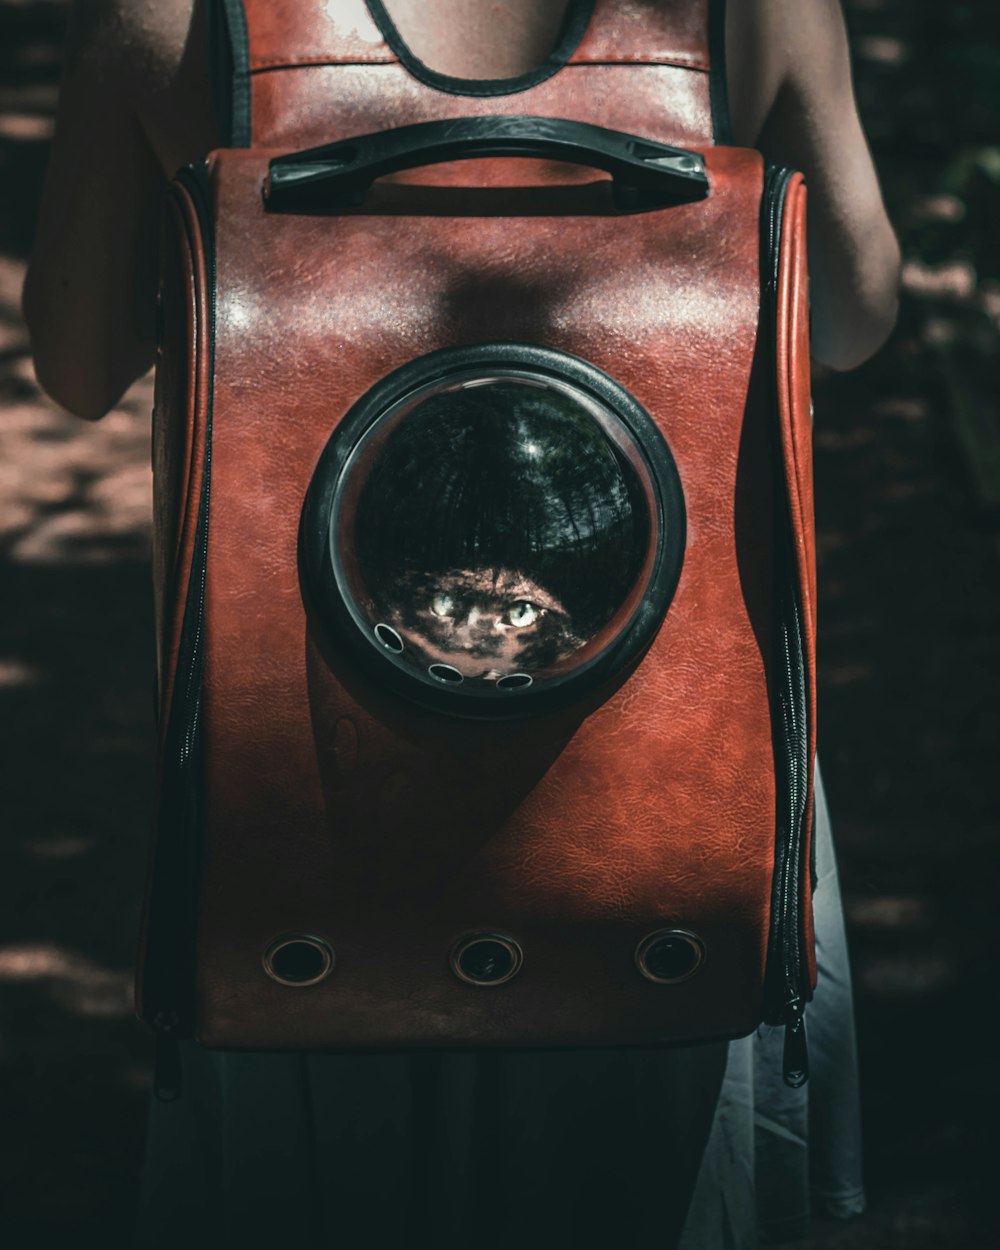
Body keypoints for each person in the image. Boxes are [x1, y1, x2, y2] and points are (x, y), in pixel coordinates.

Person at [23, 2, 900, 1246]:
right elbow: (852, 318)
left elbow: (77, 356)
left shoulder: (166, 12)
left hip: (313, 777)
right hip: (660, 762)